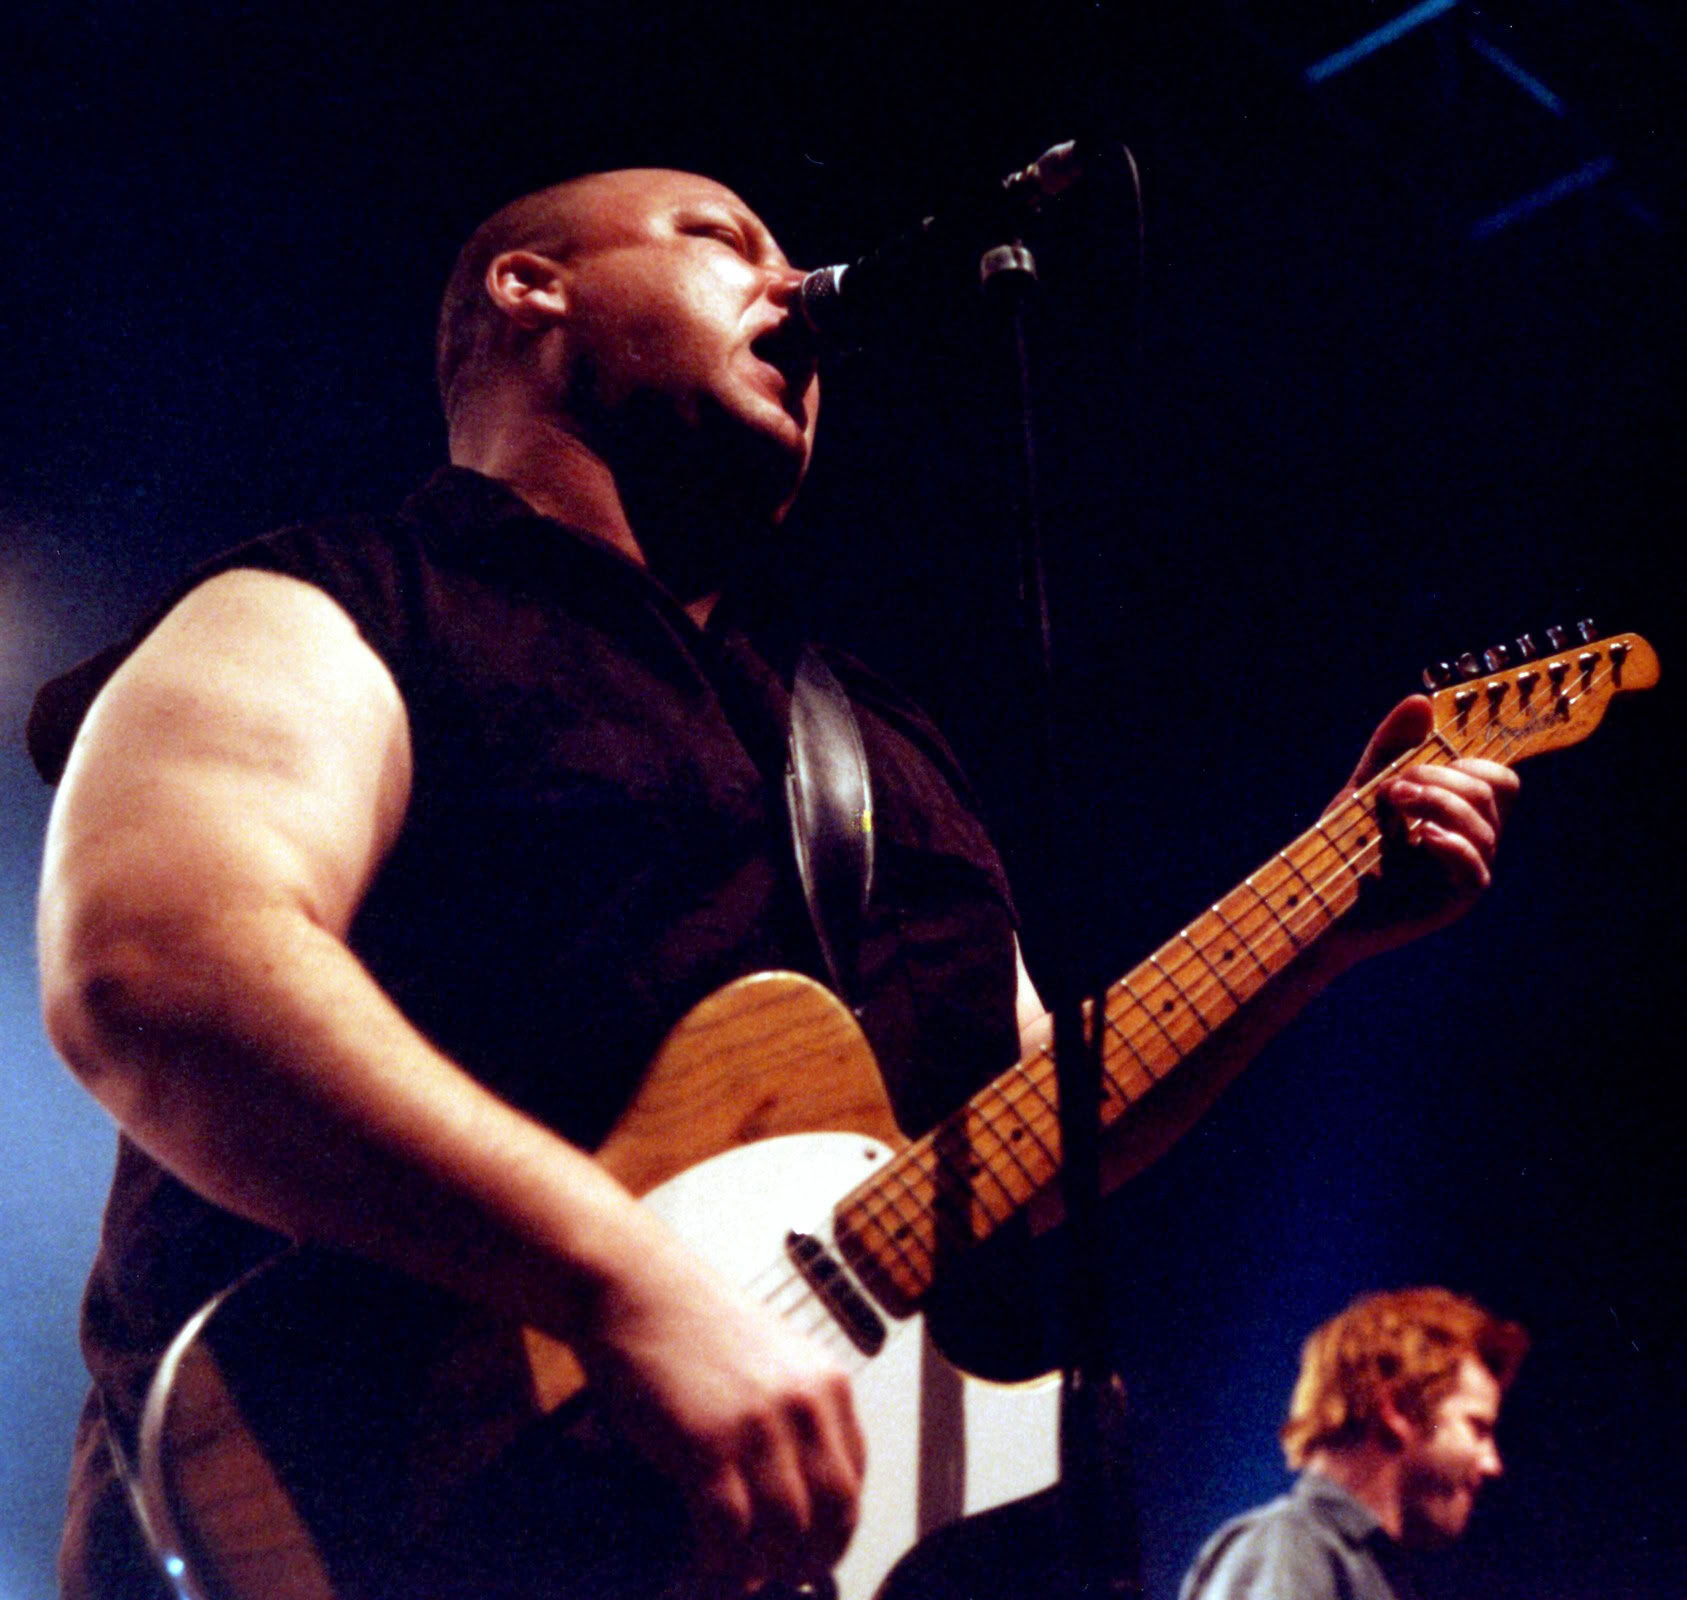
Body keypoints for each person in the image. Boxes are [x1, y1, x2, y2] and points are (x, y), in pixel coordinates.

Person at [31, 168, 1518, 1600]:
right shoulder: (343, 600)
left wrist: (1326, 910)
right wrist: (623, 1285)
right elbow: (160, 964)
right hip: (347, 1513)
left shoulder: (869, 745)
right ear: (530, 288)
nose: (793, 282)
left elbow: (1025, 1126)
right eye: (720, 235)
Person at [1179, 1288, 1529, 1600]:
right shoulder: (1289, 1549)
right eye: (1478, 1428)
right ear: (1399, 1410)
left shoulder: (1372, 1573)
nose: (1492, 1463)